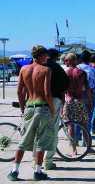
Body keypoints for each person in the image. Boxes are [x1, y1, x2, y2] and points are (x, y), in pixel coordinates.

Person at [7, 45, 55, 181]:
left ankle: (14, 171)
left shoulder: (24, 69)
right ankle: (38, 172)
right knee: (42, 141)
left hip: (29, 106)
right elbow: (47, 93)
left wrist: (23, 108)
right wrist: (52, 109)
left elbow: (19, 91)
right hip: (42, 107)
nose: (47, 58)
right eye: (45, 55)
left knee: (23, 141)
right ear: (40, 56)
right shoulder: (46, 70)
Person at [41, 49, 69, 170]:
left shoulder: (38, 66)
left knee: (40, 131)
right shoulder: (56, 67)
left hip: (38, 101)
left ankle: (36, 160)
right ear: (56, 57)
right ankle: (48, 161)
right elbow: (65, 84)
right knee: (52, 131)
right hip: (54, 100)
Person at [63, 53, 90, 156]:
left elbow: (63, 90)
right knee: (84, 124)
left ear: (70, 61)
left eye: (66, 61)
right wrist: (90, 101)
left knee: (70, 126)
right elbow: (87, 89)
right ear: (76, 61)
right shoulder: (82, 73)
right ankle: (88, 147)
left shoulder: (66, 73)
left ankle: (74, 150)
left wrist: (62, 103)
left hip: (69, 100)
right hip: (79, 100)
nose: (65, 62)